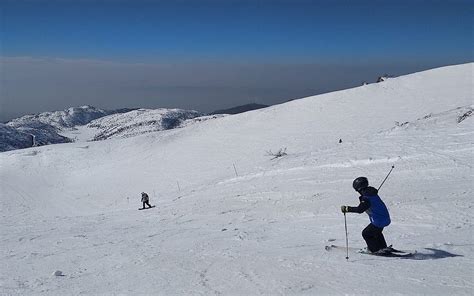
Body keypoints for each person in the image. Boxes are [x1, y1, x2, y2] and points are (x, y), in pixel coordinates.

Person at [341, 177, 391, 253]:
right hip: (384, 218)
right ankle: (383, 247)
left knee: (366, 234)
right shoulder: (371, 194)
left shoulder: (367, 197)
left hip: (379, 220)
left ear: (359, 188)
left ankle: (374, 250)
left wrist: (347, 209)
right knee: (376, 232)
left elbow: (360, 209)